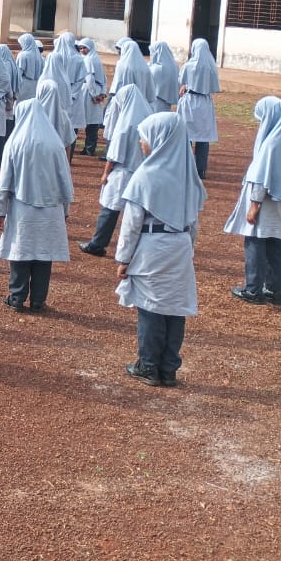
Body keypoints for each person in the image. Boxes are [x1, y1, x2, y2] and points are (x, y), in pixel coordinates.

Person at [115, 113, 205, 387]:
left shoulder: (145, 176)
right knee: (175, 306)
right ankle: (168, 367)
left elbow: (132, 224)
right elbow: (194, 220)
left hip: (152, 246)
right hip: (180, 245)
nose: (141, 142)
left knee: (151, 305)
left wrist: (123, 258)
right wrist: (188, 249)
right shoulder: (188, 175)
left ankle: (148, 365)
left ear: (159, 139)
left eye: (145, 137)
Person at [0, 100, 75, 313]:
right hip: (51, 208)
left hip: (23, 207)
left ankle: (17, 296)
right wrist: (66, 209)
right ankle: (38, 299)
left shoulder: (16, 142)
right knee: (43, 253)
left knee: (21, 251)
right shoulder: (55, 143)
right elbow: (65, 179)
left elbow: (5, 181)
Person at [225, 96, 281, 306]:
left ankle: (253, 290)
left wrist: (254, 205)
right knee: (276, 242)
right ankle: (274, 290)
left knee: (255, 240)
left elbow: (261, 175)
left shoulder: (271, 143)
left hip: (263, 199)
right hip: (279, 198)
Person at [79, 83, 154, 257]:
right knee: (138, 214)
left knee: (110, 209)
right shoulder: (148, 119)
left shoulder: (125, 124)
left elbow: (115, 154)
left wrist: (105, 173)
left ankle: (97, 244)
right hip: (143, 173)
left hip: (123, 172)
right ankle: (138, 249)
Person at [178, 38, 219, 179]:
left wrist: (188, 85)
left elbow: (181, 80)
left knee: (187, 135)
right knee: (203, 137)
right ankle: (201, 169)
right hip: (205, 102)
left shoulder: (188, 66)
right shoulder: (212, 67)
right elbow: (215, 87)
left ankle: (186, 167)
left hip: (190, 100)